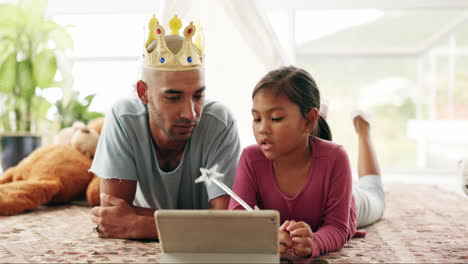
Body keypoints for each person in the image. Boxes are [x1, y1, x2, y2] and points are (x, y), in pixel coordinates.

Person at [90, 15, 241, 239]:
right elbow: (112, 215)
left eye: (198, 95)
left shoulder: (220, 122)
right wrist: (204, 220)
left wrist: (139, 225)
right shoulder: (123, 117)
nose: (190, 113)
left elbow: (229, 221)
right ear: (144, 93)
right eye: (173, 97)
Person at [229, 66, 385, 258]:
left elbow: (337, 227)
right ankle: (321, 119)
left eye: (276, 118)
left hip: (351, 202)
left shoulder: (336, 157)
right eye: (256, 118)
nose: (262, 128)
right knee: (306, 141)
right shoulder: (251, 158)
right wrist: (265, 237)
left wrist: (315, 242)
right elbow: (237, 222)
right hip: (309, 137)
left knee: (374, 193)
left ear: (309, 121)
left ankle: (363, 131)